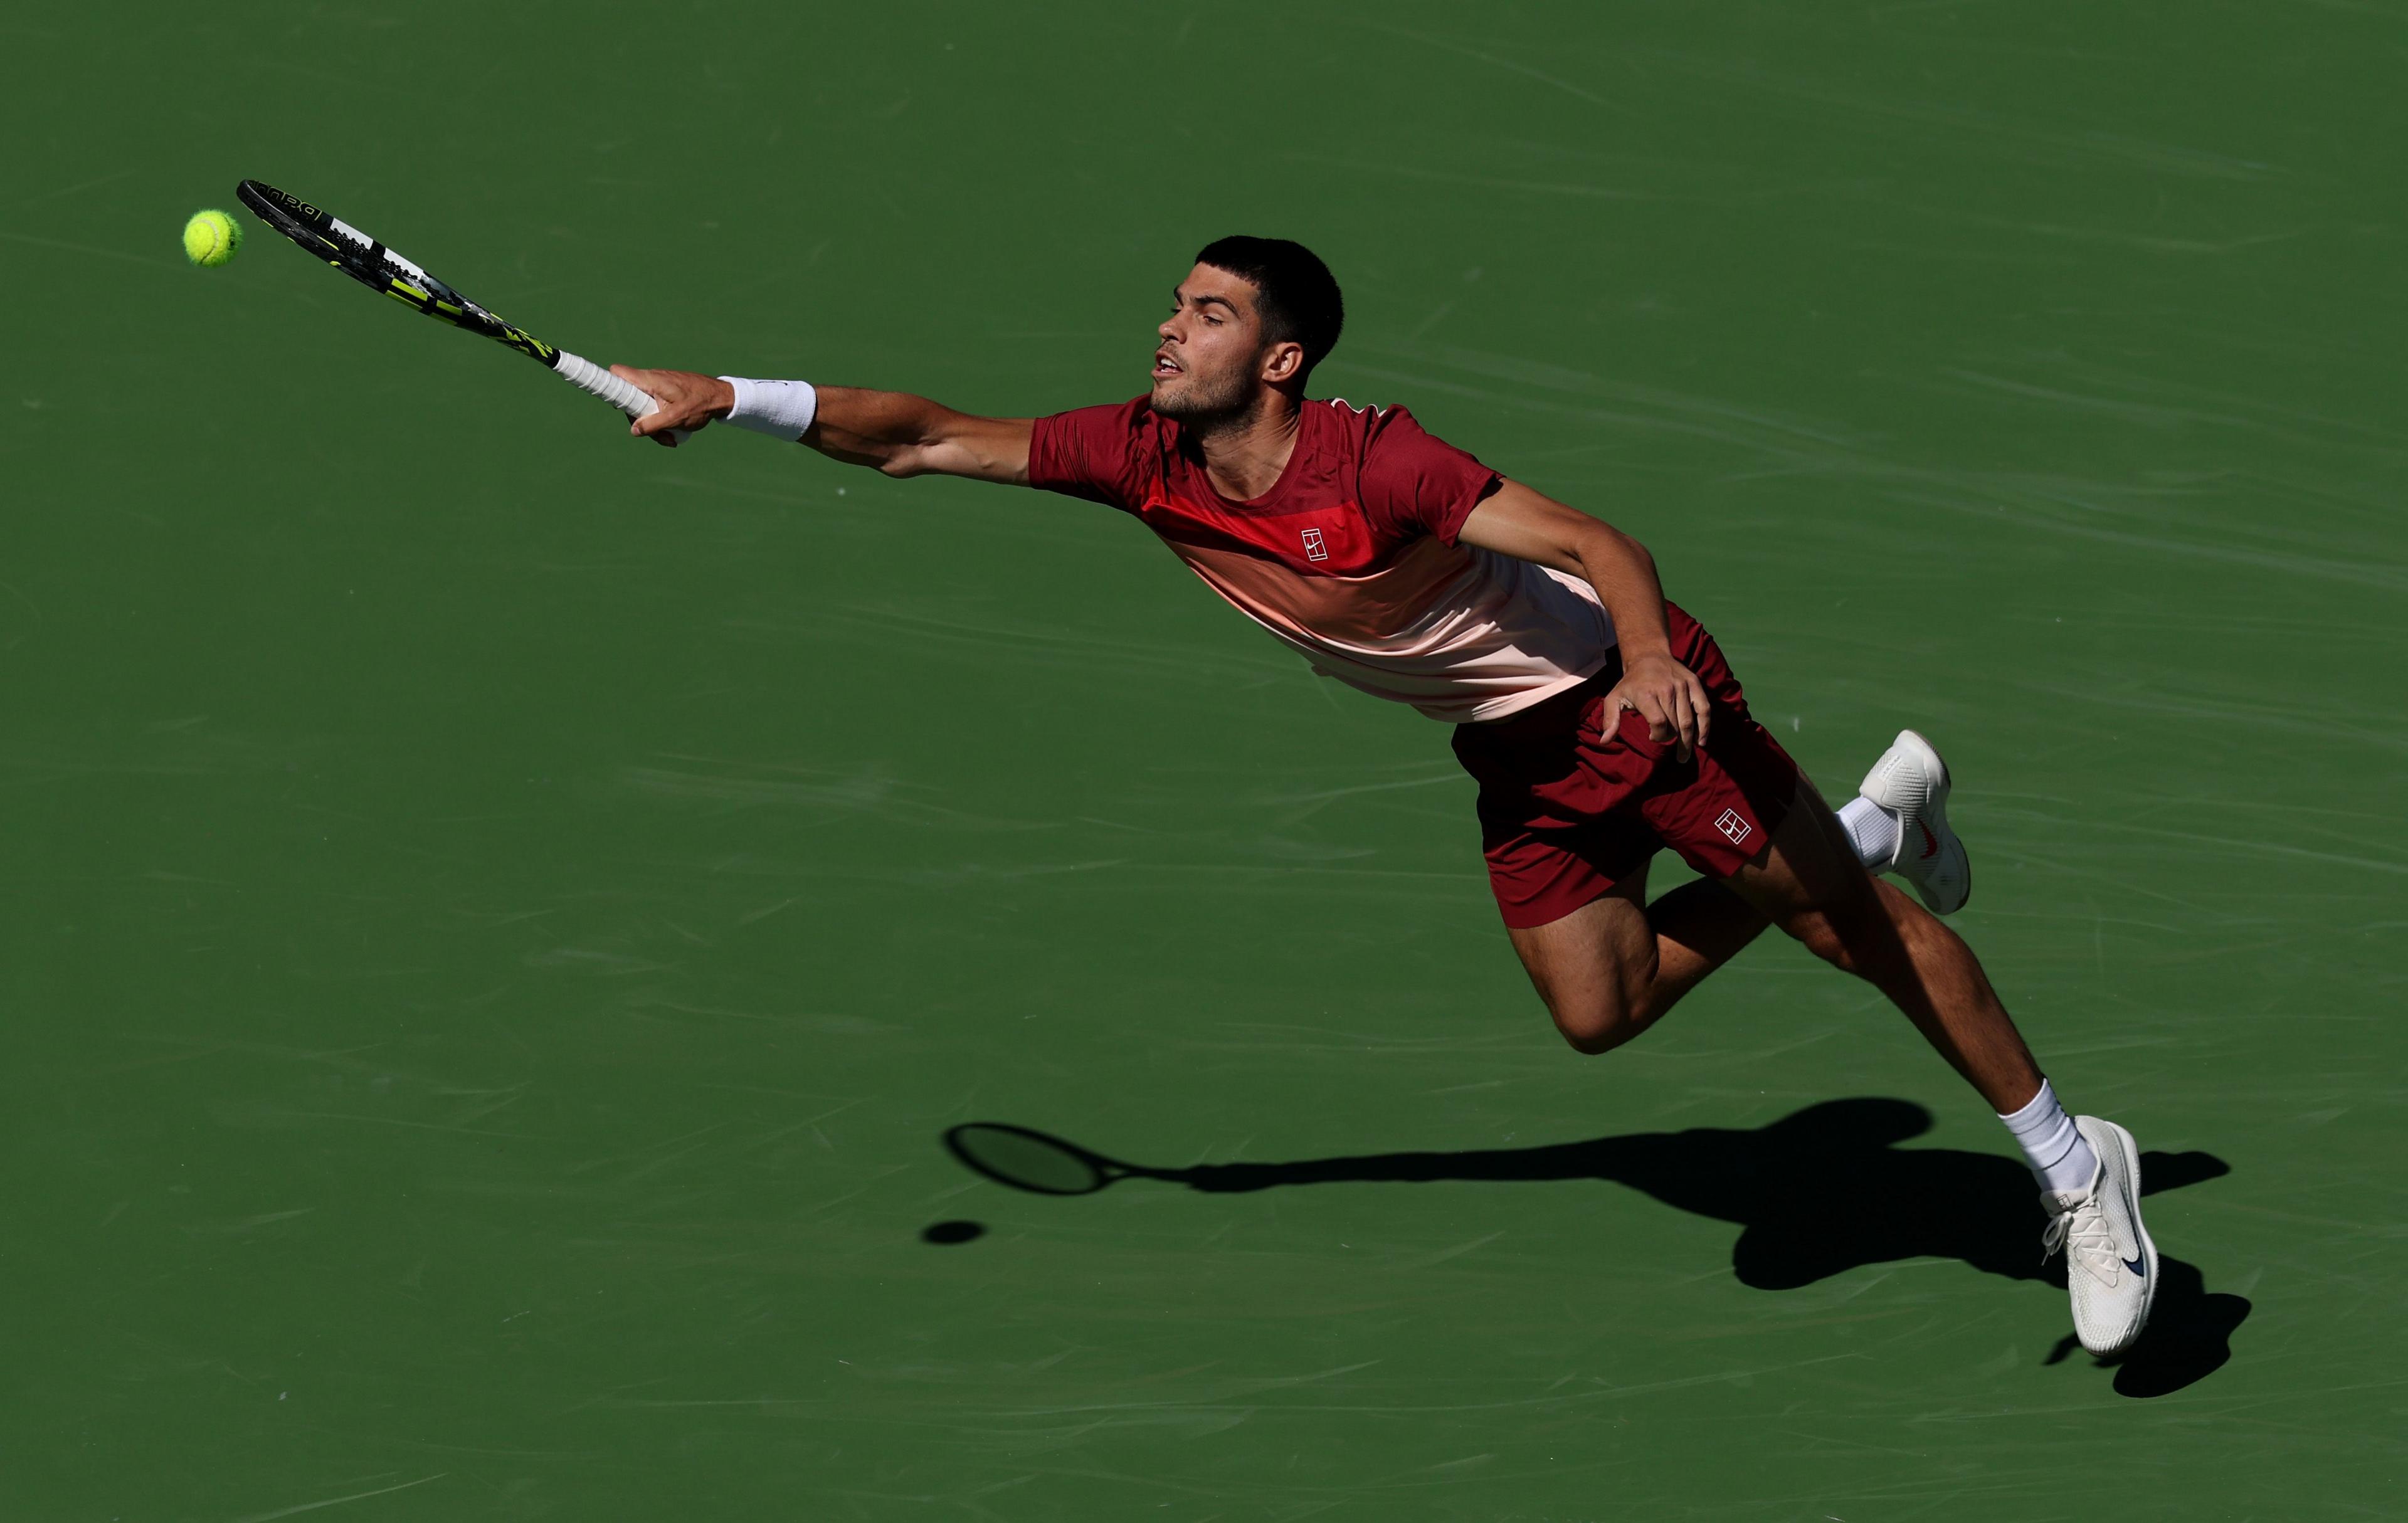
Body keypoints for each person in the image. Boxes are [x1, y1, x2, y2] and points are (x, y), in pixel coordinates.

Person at [612, 236, 2157, 1356]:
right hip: (1515, 757)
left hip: (1633, 711)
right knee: (1600, 1014)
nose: (1169, 329)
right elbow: (928, 433)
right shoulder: (1136, 456)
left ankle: (2081, 1172)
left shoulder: (1384, 468)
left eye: (1206, 315)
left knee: (1860, 943)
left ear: (1279, 360)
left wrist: (1642, 661)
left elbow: (1597, 538)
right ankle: (1869, 827)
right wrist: (731, 392)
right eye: (1173, 304)